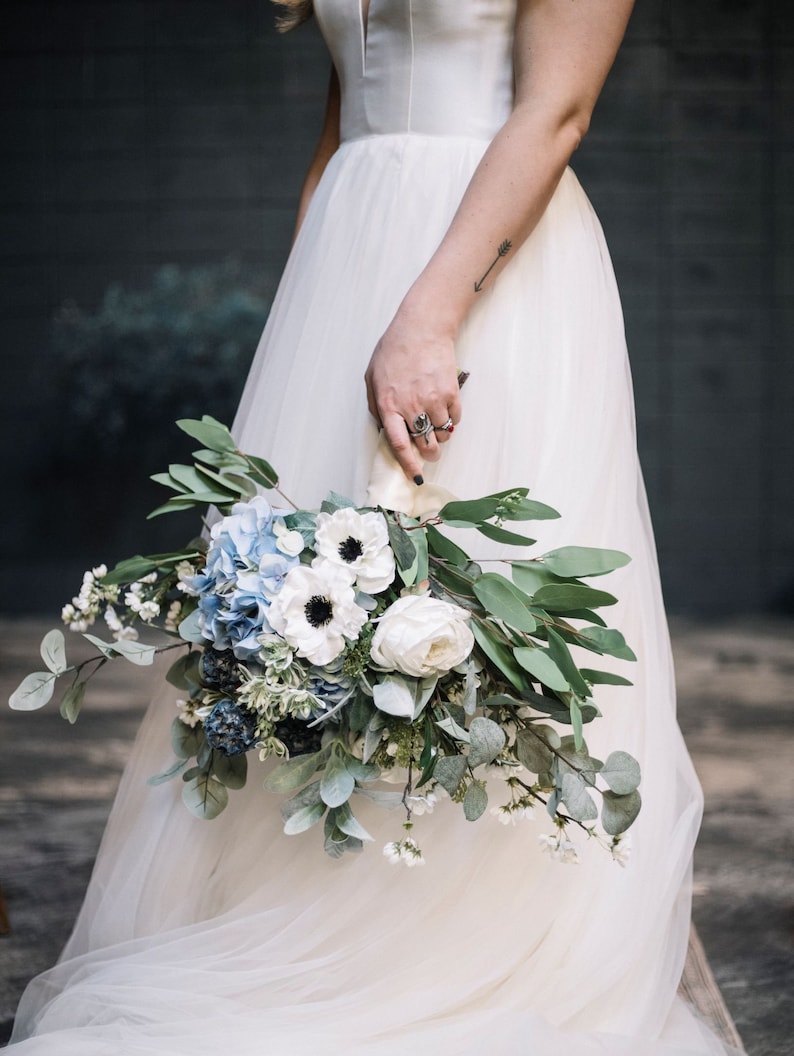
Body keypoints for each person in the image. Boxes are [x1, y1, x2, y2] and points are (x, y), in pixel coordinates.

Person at [8, 1, 739, 1053]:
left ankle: (466, 943)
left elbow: (557, 108)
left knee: (464, 587)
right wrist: (318, 298)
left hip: (486, 259)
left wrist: (428, 313)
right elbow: (346, 109)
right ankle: (300, 912)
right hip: (353, 248)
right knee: (302, 609)